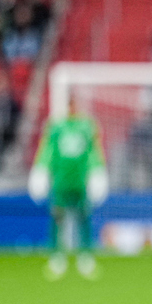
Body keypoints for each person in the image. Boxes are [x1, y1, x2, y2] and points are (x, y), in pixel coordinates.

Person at [28, 105, 108, 280]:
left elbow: (93, 152)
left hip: (80, 182)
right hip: (61, 183)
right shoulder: (55, 127)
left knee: (83, 218)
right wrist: (41, 171)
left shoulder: (87, 127)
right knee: (57, 218)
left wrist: (97, 171)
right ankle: (57, 256)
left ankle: (85, 256)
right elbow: (47, 151)